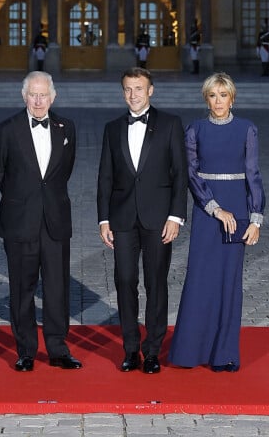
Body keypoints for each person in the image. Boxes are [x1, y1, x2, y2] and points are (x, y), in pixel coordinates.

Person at [168, 72, 265, 373]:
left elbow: (254, 175)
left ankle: (224, 354)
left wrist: (256, 219)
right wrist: (214, 208)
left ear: (232, 98)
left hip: (237, 213)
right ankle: (188, 351)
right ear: (206, 98)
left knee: (229, 282)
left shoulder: (247, 129)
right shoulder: (194, 129)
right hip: (207, 212)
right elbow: (191, 175)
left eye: (224, 95)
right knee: (200, 278)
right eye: (213, 95)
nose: (219, 101)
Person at [97, 67, 188, 374]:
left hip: (159, 218)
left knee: (155, 284)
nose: (133, 95)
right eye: (127, 89)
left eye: (138, 88)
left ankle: (152, 351)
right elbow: (105, 178)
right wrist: (103, 220)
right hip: (122, 219)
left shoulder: (171, 124)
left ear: (151, 90)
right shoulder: (112, 128)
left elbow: (180, 175)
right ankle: (131, 349)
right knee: (124, 282)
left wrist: (176, 216)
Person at [0, 71, 82, 372]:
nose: (39, 100)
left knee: (57, 287)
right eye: (33, 94)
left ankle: (57, 349)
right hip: (20, 220)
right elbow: (0, 172)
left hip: (55, 219)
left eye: (44, 94)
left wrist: (45, 198)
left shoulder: (66, 127)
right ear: (24, 96)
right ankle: (26, 350)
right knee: (22, 288)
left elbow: (63, 172)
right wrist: (24, 199)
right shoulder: (6, 130)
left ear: (53, 97)